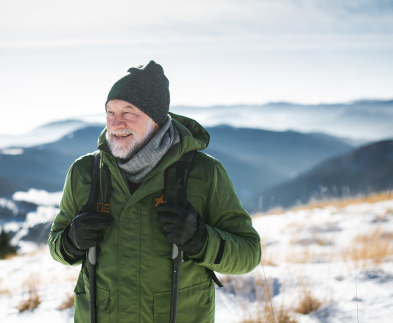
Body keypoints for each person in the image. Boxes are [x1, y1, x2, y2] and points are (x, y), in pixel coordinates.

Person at [49, 61, 261, 323]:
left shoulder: (203, 173)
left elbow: (249, 254)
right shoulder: (85, 172)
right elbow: (56, 244)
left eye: (129, 112)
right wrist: (72, 239)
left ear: (156, 119)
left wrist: (201, 240)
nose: (115, 124)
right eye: (110, 112)